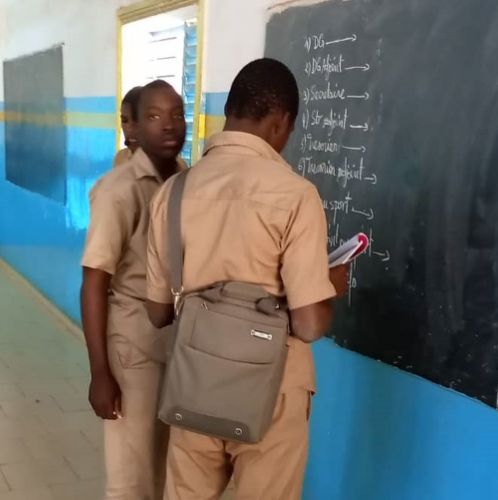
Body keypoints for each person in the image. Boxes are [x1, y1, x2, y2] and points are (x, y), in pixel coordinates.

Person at [146, 58, 349, 500]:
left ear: (229, 111)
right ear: (282, 122)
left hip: (194, 381)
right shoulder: (296, 195)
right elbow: (309, 324)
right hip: (272, 390)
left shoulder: (172, 193)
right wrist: (330, 284)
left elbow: (158, 313)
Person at [80, 79, 186, 500]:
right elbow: (93, 283)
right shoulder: (118, 190)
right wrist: (100, 373)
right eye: (154, 116)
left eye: (177, 114)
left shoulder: (188, 181)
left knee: (165, 470)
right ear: (135, 128)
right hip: (134, 351)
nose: (168, 125)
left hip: (179, 347)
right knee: (131, 479)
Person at [113, 86, 143, 168]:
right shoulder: (120, 158)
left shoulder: (171, 165)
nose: (129, 129)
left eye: (137, 120)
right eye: (124, 121)